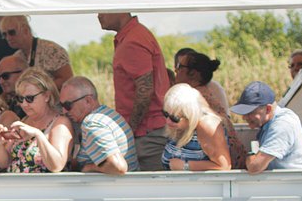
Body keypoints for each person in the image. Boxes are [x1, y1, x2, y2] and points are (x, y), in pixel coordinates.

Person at [98, 12, 171, 172]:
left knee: (149, 191)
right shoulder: (136, 35)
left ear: (120, 9)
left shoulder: (132, 41)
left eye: (102, 9)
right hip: (150, 130)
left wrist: (129, 129)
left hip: (147, 133)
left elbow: (145, 89)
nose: (98, 15)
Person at [0, 67, 73, 173]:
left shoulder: (60, 123)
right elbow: (4, 163)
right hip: (15, 187)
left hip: (44, 187)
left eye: (30, 98)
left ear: (47, 96)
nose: (24, 104)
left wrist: (38, 135)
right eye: (20, 99)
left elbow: (56, 166)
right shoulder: (24, 121)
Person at [230, 81, 302, 173]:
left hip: (296, 183)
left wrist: (250, 155)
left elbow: (254, 167)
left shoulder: (282, 125)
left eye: (250, 112)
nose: (244, 117)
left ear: (268, 109)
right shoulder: (271, 121)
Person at [59, 76, 138, 174]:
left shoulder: (91, 124)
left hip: (116, 187)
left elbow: (118, 166)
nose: (64, 111)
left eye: (68, 105)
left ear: (88, 101)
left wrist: (88, 168)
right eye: (61, 106)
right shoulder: (108, 113)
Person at [160, 83, 232, 171]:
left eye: (174, 118)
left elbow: (224, 166)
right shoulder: (179, 127)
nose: (168, 121)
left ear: (190, 115)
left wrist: (185, 165)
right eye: (165, 114)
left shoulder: (207, 125)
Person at [0, 15, 73, 91]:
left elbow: (67, 79)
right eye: (4, 35)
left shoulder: (51, 50)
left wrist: (39, 90)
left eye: (12, 32)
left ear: (25, 30)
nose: (8, 38)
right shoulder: (17, 56)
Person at [0, 53, 27, 117]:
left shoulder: (33, 100)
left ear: (23, 73)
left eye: (5, 76)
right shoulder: (7, 102)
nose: (1, 82)